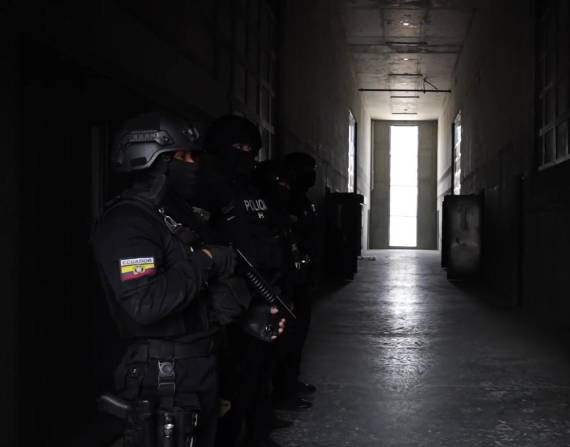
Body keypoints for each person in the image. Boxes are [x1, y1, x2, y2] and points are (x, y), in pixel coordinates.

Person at [92, 111, 254, 447]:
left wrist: (245, 316)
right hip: (163, 375)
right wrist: (205, 261)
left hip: (196, 367)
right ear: (155, 161)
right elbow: (146, 303)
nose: (194, 164)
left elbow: (202, 291)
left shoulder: (170, 215)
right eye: (184, 157)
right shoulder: (128, 223)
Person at [200, 115, 287, 447]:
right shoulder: (205, 188)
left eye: (251, 148)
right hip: (226, 304)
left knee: (257, 373)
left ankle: (255, 434)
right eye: (238, 147)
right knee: (226, 384)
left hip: (261, 294)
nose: (246, 154)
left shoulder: (252, 189)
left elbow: (269, 235)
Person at [272, 152, 318, 410]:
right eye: (306, 169)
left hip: (303, 278)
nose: (311, 174)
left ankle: (291, 383)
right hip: (289, 282)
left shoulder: (303, 201)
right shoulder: (284, 201)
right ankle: (284, 391)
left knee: (299, 336)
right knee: (287, 339)